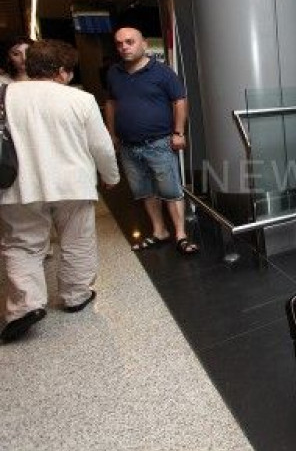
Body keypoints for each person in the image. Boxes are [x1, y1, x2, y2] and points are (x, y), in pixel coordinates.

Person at [0, 40, 119, 343]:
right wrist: (111, 176)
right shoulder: (80, 99)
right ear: (63, 71)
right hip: (72, 183)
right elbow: (101, 146)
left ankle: (24, 306)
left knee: (22, 245)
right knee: (77, 240)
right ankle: (76, 295)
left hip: (18, 185)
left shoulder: (5, 96)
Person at [104, 27, 199, 255]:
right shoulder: (113, 73)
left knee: (170, 191)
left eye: (130, 42)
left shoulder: (162, 72)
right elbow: (111, 103)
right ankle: (159, 231)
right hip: (128, 146)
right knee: (144, 191)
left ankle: (181, 235)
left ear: (144, 44)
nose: (124, 47)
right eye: (119, 43)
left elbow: (179, 101)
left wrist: (179, 133)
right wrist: (111, 133)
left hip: (159, 143)